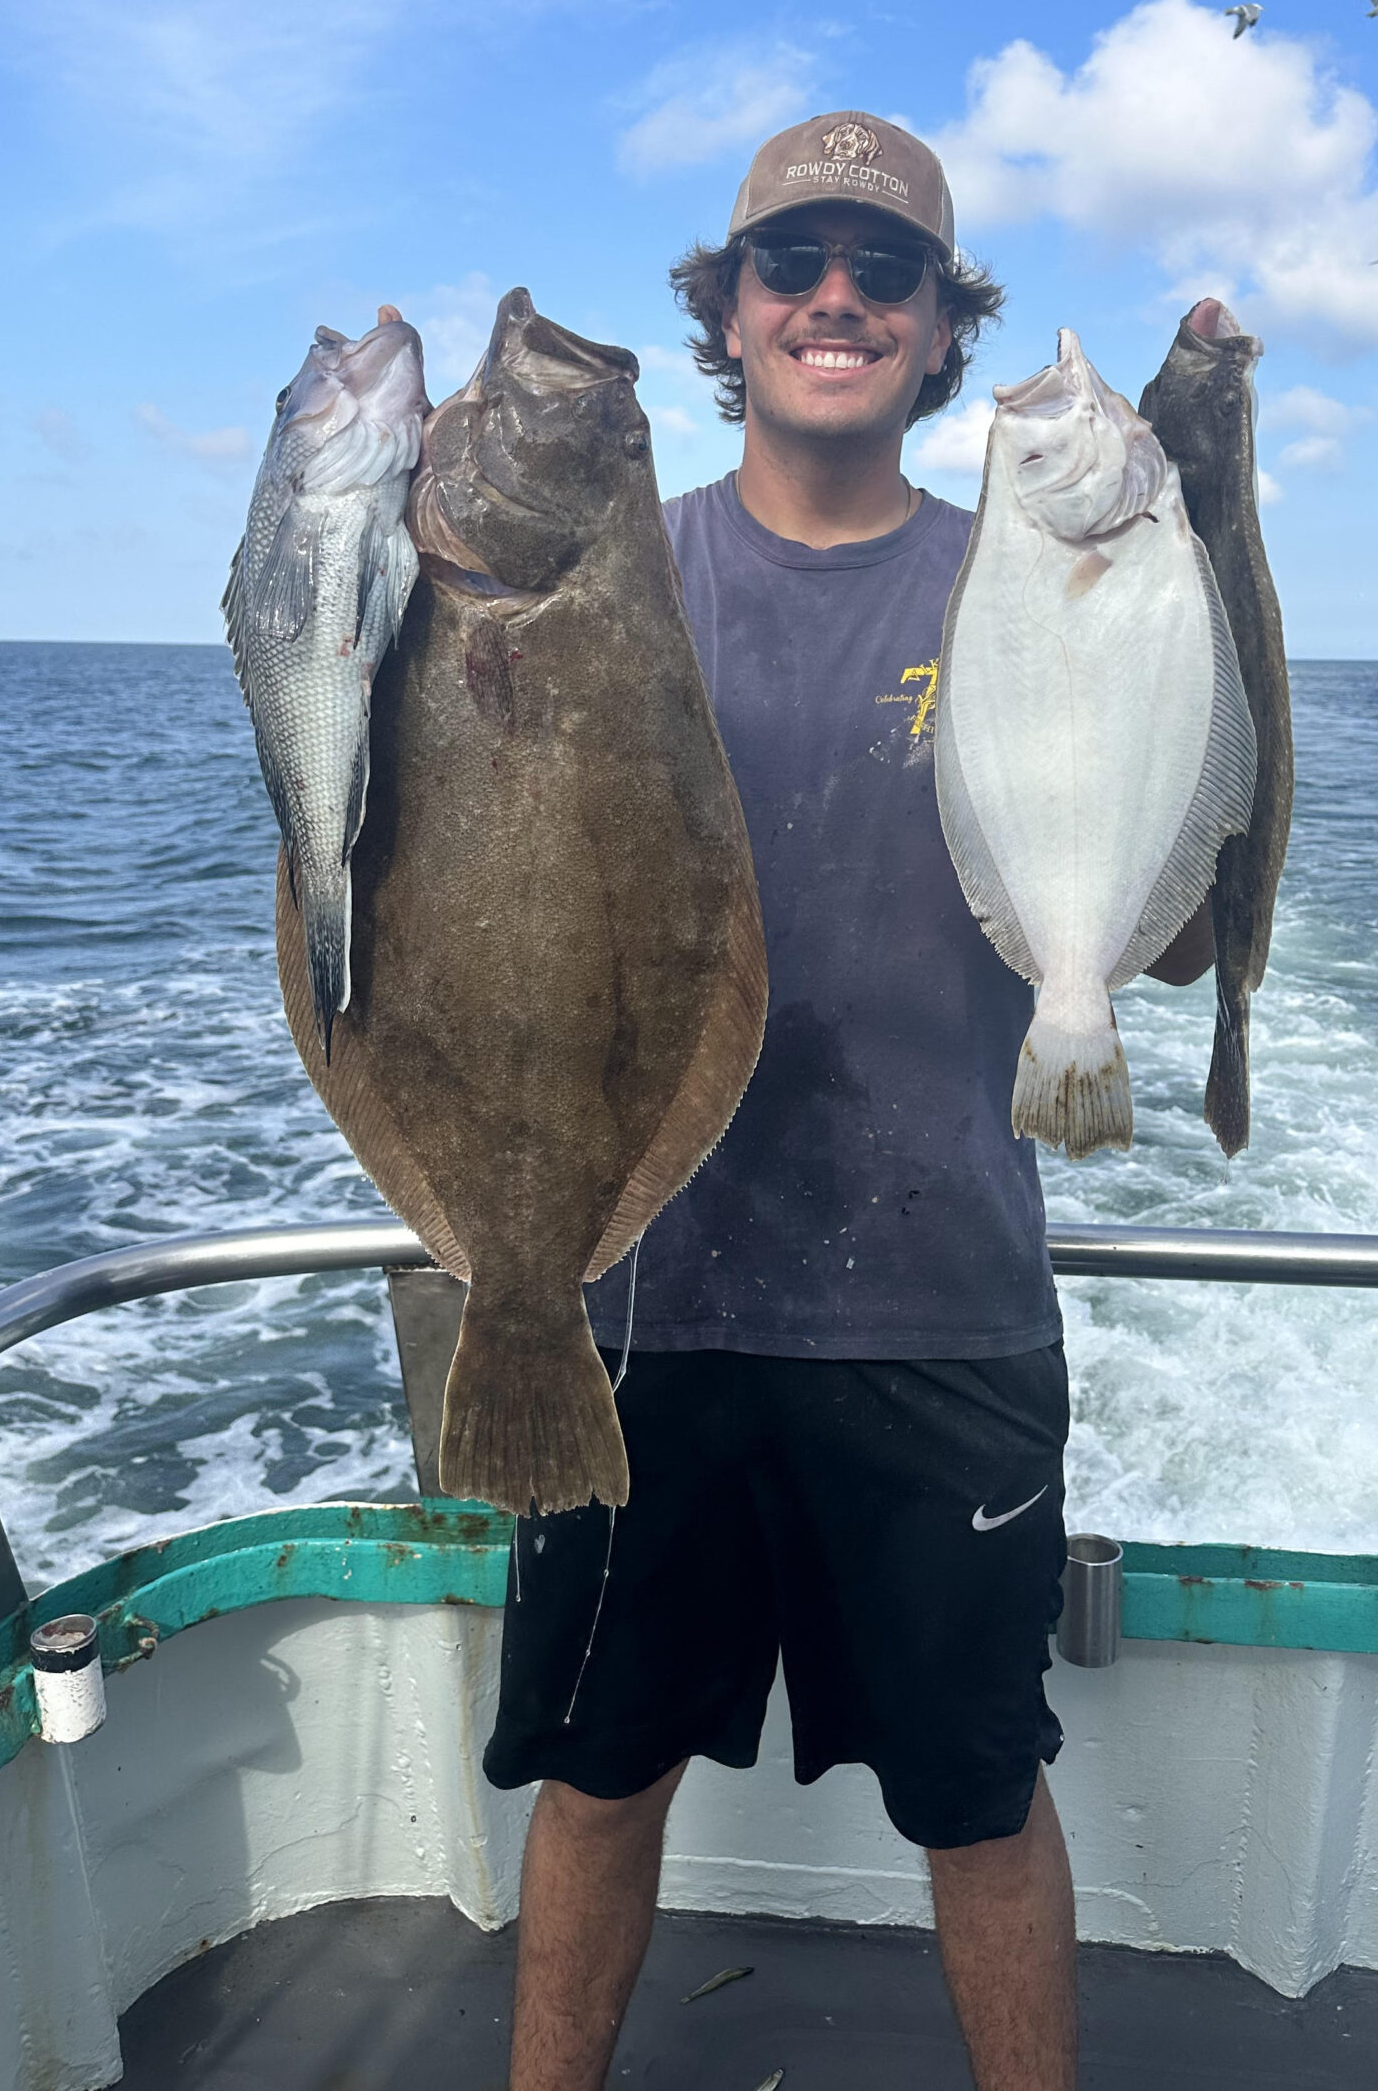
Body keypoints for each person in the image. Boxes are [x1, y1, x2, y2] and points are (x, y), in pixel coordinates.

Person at [481, 111, 1214, 2091]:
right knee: (600, 1766)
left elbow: (1178, 916)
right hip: (640, 1292)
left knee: (976, 1793)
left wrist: (1202, 533)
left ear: (938, 323)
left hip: (942, 1299)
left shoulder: (1045, 587)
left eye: (883, 270)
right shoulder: (594, 586)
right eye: (790, 261)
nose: (834, 298)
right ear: (723, 310)